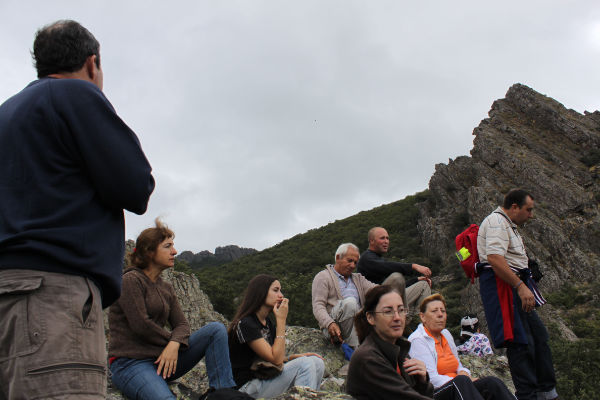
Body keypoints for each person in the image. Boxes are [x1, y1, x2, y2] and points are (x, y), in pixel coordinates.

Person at [0, 20, 154, 399]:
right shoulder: (76, 94)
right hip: (50, 298)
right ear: (91, 62)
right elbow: (135, 185)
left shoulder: (7, 113)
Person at [108, 220, 236, 399]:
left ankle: (224, 394)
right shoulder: (131, 280)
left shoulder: (166, 288)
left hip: (163, 359)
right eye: (167, 246)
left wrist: (175, 343)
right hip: (131, 363)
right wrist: (172, 342)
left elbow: (182, 324)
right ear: (149, 252)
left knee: (216, 330)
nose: (174, 251)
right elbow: (141, 325)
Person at [477, 189, 558, 400]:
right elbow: (494, 258)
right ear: (514, 207)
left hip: (513, 285)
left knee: (538, 338)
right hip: (505, 288)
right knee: (520, 343)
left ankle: (546, 392)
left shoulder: (507, 224)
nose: (531, 215)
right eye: (528, 210)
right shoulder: (496, 222)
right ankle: (528, 395)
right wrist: (520, 286)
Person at [228, 274, 325, 398]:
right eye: (276, 290)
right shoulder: (246, 323)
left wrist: (291, 358)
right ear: (261, 292)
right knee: (304, 364)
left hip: (264, 378)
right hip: (246, 387)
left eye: (280, 290)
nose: (281, 295)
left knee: (317, 362)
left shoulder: (267, 323)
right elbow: (275, 359)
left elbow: (273, 356)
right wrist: (281, 320)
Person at [408, 294, 516, 400]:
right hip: (434, 393)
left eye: (443, 311)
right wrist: (464, 380)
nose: (440, 314)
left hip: (459, 385)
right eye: (434, 311)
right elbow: (431, 379)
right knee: (461, 382)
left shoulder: (445, 334)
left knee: (491, 383)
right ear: (422, 317)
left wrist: (464, 372)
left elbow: (458, 365)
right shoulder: (418, 340)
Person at [346, 285, 434, 400]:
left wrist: (422, 382)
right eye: (388, 311)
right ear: (370, 318)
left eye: (401, 310)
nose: (397, 317)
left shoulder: (398, 349)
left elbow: (414, 394)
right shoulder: (367, 358)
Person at [312, 243, 377, 347]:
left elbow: (376, 290)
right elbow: (318, 306)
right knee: (351, 303)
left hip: (357, 324)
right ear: (338, 258)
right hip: (333, 327)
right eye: (350, 261)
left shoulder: (358, 278)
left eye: (355, 263)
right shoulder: (322, 277)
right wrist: (329, 323)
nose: (353, 265)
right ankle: (356, 349)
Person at [357, 227, 432, 315]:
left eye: (387, 238)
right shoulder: (366, 258)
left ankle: (420, 320)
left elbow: (395, 287)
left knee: (423, 285)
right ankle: (404, 316)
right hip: (375, 306)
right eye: (382, 238)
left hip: (388, 301)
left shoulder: (377, 258)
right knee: (396, 277)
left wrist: (416, 280)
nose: (386, 241)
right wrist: (413, 266)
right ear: (372, 241)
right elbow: (386, 267)